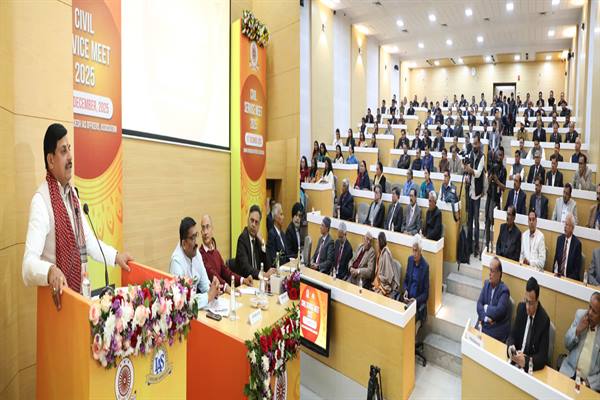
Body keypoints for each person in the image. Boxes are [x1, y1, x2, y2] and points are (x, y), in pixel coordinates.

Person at [22, 124, 134, 309]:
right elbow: (27, 266)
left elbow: (88, 241)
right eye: (63, 151)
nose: (70, 157)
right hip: (56, 306)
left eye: (69, 149)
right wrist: (50, 271)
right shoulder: (41, 202)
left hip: (78, 297)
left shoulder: (72, 195)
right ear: (51, 160)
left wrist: (116, 257)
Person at [170, 217, 220, 309]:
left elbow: (205, 285)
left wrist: (214, 289)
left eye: (196, 235)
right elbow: (183, 301)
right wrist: (208, 296)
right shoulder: (176, 262)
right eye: (192, 238)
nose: (196, 242)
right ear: (184, 244)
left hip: (197, 310)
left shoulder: (196, 254)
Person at [506, 277, 550, 373]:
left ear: (537, 300)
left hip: (529, 369)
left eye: (530, 303)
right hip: (515, 361)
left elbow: (542, 357)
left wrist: (525, 361)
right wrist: (511, 349)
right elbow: (512, 336)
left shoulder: (544, 320)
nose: (527, 307)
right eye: (526, 301)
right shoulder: (521, 308)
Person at [200, 215, 253, 293]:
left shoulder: (216, 252)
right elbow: (212, 274)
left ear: (212, 229)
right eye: (203, 228)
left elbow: (226, 272)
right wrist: (227, 287)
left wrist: (243, 280)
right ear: (201, 232)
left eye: (207, 227)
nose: (205, 232)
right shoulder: (200, 254)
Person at [559, 292, 600, 391]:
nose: (590, 313)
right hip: (569, 372)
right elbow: (566, 344)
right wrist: (577, 331)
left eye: (594, 312)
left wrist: (588, 383)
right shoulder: (580, 315)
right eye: (589, 307)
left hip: (589, 383)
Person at [477, 257, 511, 341]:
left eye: (492, 271)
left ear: (499, 274)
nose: (489, 274)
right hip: (484, 324)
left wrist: (486, 307)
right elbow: (479, 304)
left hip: (496, 330)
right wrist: (485, 318)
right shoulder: (486, 284)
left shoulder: (504, 291)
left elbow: (499, 311)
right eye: (489, 270)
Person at [235, 205, 274, 280]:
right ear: (247, 220)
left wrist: (263, 244)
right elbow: (245, 267)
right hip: (246, 282)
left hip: (257, 281)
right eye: (252, 220)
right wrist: (261, 274)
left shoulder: (258, 241)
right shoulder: (242, 239)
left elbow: (268, 266)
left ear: (259, 225)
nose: (253, 225)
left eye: (256, 222)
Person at [464, 134, 485, 257]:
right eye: (473, 143)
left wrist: (470, 170)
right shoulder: (471, 154)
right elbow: (469, 171)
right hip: (470, 191)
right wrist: (467, 173)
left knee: (476, 222)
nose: (474, 146)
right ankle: (469, 247)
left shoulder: (482, 156)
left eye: (476, 143)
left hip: (476, 194)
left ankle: (477, 248)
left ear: (479, 143)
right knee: (469, 221)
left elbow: (478, 173)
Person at [403, 236, 429, 321]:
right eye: (413, 250)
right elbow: (405, 280)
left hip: (416, 304)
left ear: (420, 251)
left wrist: (416, 300)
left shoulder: (425, 267)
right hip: (407, 300)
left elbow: (426, 294)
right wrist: (406, 290)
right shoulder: (410, 260)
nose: (414, 253)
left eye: (416, 251)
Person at [552, 213, 582, 280]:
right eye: (565, 224)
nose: (565, 227)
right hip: (558, 277)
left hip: (570, 279)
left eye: (567, 225)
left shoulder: (577, 244)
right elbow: (555, 261)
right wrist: (555, 273)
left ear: (572, 228)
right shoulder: (560, 239)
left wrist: (566, 279)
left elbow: (576, 270)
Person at [372, 232, 400, 298]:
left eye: (377, 242)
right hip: (379, 282)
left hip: (384, 285)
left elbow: (388, 276)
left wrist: (379, 277)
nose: (376, 244)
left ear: (380, 242)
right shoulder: (380, 253)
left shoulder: (386, 254)